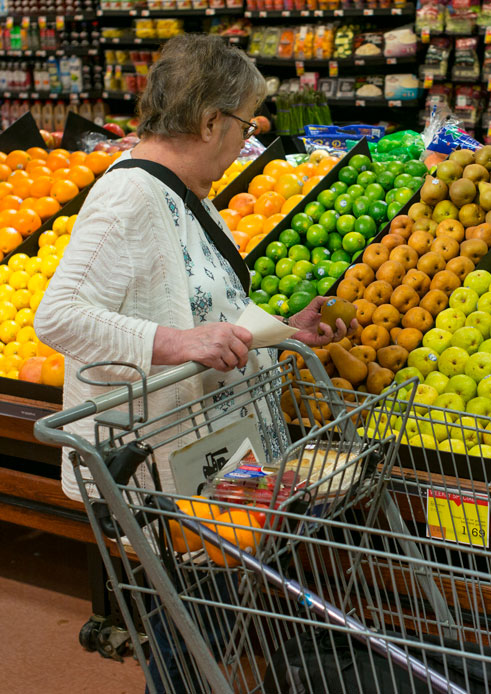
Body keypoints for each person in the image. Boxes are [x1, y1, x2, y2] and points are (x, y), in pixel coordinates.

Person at [34, 35, 347, 691]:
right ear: (210, 120)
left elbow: (204, 308)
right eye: (244, 125)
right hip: (164, 469)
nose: (246, 140)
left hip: (213, 455)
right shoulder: (131, 199)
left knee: (213, 629)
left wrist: (281, 331)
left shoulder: (183, 193)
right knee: (190, 643)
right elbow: (58, 315)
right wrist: (178, 344)